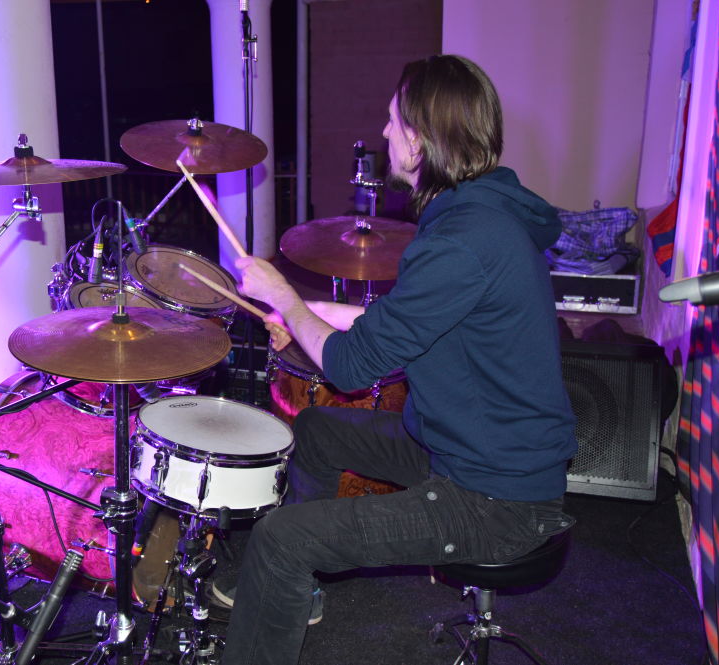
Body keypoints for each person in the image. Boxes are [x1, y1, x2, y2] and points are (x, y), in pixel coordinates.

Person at [217, 55, 578, 665]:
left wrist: (285, 295)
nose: (384, 133)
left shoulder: (462, 241)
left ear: (421, 138)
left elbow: (350, 369)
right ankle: (296, 593)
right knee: (317, 429)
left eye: (393, 121)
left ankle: (284, 573)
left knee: (280, 538)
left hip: (495, 498)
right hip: (468, 448)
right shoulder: (480, 215)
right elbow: (408, 320)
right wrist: (309, 311)